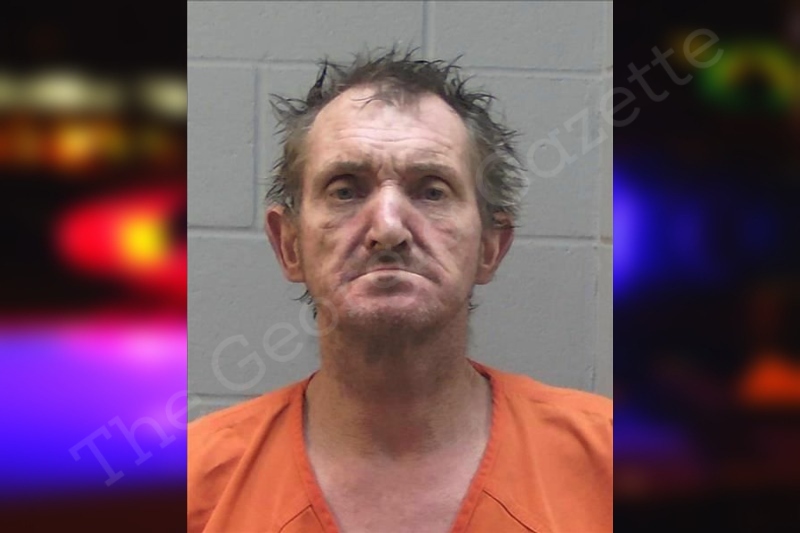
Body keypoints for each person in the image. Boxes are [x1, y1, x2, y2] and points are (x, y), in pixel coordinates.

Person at [187, 48, 612, 533]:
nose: (388, 229)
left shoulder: (611, 460)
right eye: (345, 190)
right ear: (289, 245)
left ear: (491, 247)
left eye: (432, 190)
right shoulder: (192, 482)